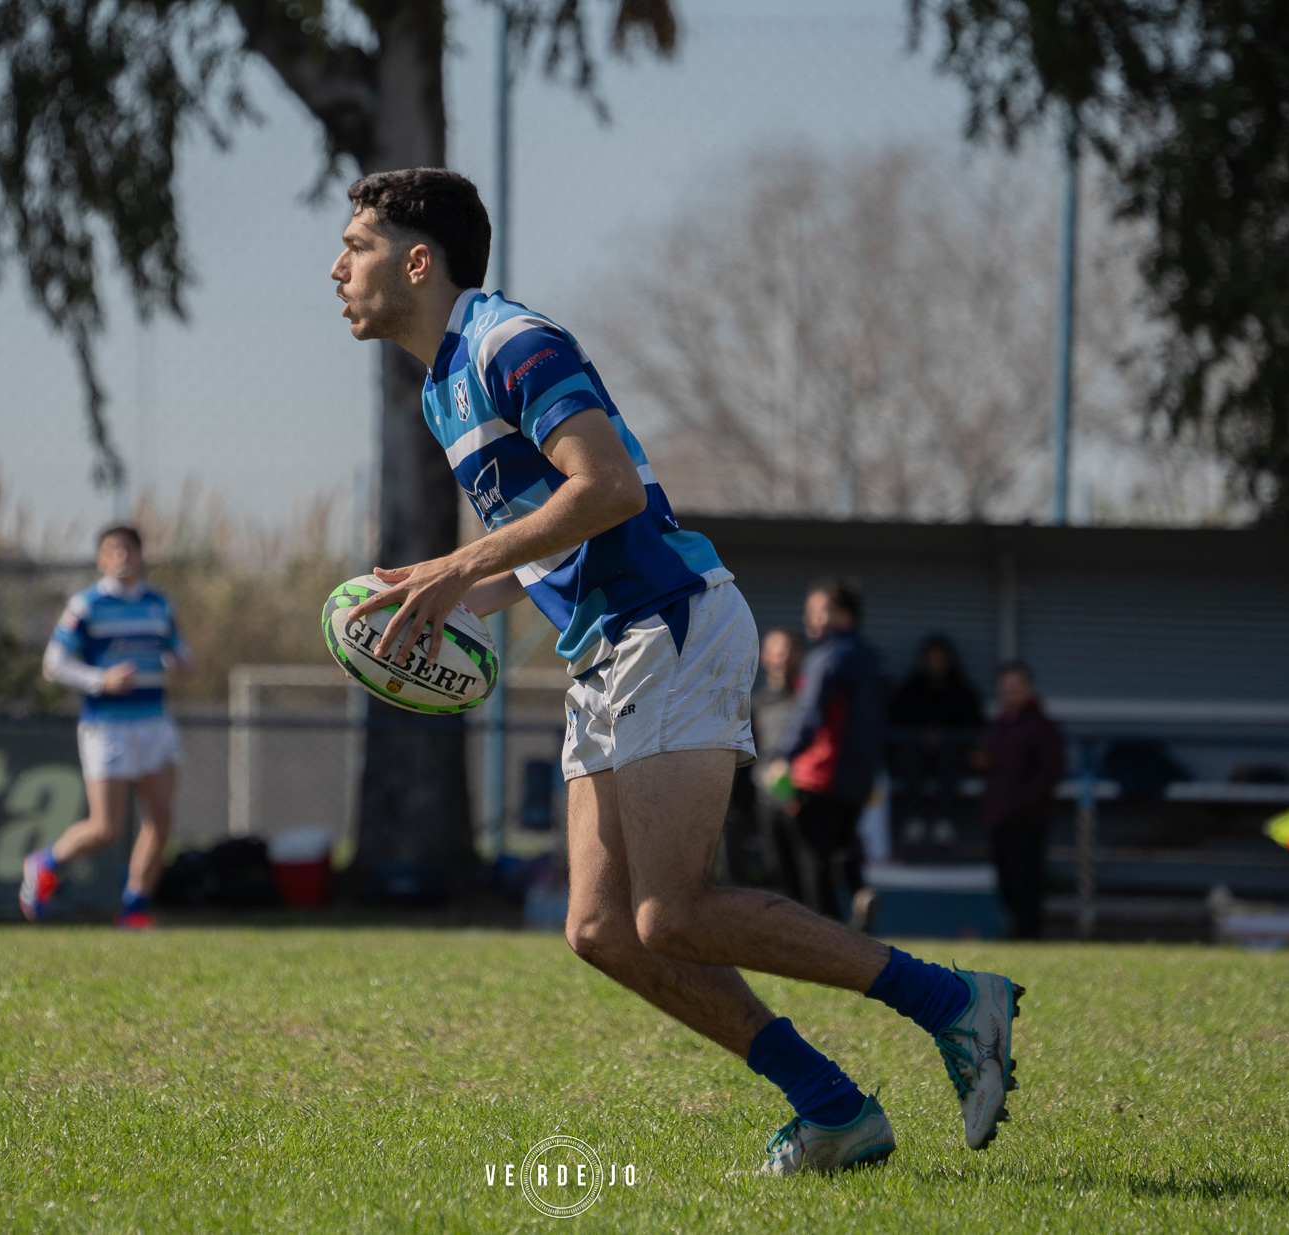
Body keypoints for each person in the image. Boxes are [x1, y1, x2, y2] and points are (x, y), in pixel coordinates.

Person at [330, 167, 1023, 1173]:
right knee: (602, 927)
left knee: (674, 910)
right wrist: (450, 601)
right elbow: (549, 536)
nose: (338, 267)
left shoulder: (509, 342)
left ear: (417, 261)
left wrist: (457, 563)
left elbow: (608, 488)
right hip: (607, 645)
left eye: (356, 245)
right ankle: (834, 1108)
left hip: (669, 620)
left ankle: (952, 1001)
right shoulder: (444, 386)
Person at [20, 526, 192, 931]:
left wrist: (182, 662)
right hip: (107, 726)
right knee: (105, 828)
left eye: (129, 549)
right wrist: (101, 680)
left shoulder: (159, 604)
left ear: (142, 555)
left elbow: (178, 652)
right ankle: (44, 863)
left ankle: (134, 908)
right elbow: (54, 664)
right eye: (113, 551)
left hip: (154, 722)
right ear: (100, 559)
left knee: (160, 819)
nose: (122, 558)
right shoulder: (86, 605)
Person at [769, 580, 887, 928]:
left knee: (812, 858)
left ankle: (828, 932)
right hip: (860, 777)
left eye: (819, 611)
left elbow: (809, 715)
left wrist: (784, 755)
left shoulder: (826, 657)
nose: (809, 618)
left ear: (844, 615)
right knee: (844, 847)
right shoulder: (872, 657)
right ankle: (859, 897)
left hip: (819, 774)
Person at [977, 661, 1065, 941]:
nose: (1010, 692)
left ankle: (1029, 935)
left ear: (1028, 688)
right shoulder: (999, 725)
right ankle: (1016, 931)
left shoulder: (1041, 726)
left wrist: (1021, 804)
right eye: (1005, 687)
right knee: (1006, 879)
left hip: (1028, 818)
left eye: (1015, 686)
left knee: (1026, 879)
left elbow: (1050, 771)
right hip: (1000, 816)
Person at [889, 633, 984, 848]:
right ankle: (913, 818)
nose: (936, 663)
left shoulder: (961, 690)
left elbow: (972, 725)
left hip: (951, 757)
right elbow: (897, 719)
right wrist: (921, 736)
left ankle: (944, 820)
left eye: (940, 658)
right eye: (931, 658)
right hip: (915, 755)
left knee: (951, 754)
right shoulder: (911, 688)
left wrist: (943, 737)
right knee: (908, 755)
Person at [751, 629, 802, 890]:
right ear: (764, 656)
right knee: (778, 875)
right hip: (765, 800)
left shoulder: (807, 701)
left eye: (788, 650)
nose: (782, 656)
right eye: (776, 650)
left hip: (803, 800)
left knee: (809, 876)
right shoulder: (756, 702)